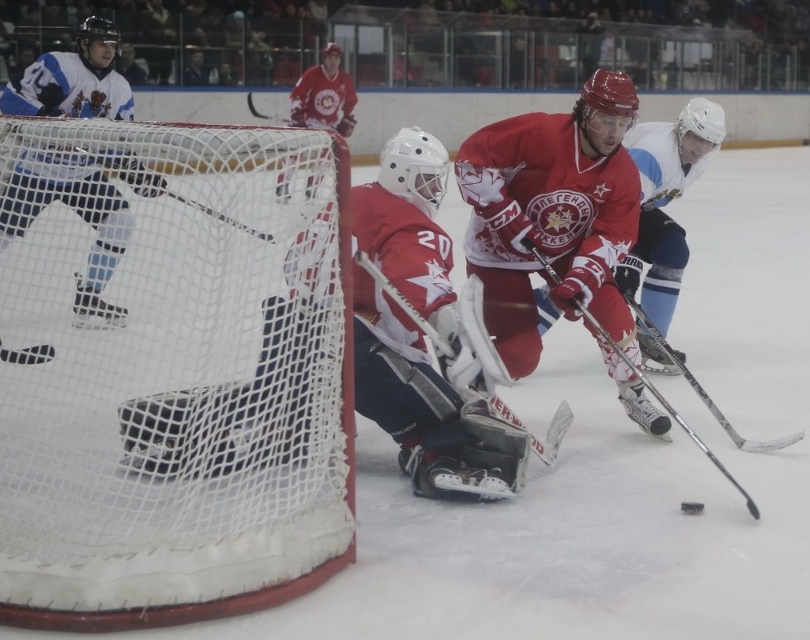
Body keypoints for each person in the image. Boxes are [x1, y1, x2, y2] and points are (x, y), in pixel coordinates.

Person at [287, 126, 530, 499]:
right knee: (449, 418)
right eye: (427, 180)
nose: (434, 190)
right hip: (352, 350)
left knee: (283, 428)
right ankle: (442, 460)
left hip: (289, 337)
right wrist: (453, 333)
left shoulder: (347, 198)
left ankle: (214, 423)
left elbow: (295, 266)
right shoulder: (407, 222)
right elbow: (419, 281)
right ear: (400, 175)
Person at [452, 69, 672, 442]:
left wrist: (583, 276)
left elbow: (615, 233)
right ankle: (464, 370)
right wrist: (505, 216)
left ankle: (633, 392)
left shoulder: (622, 172)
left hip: (565, 249)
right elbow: (472, 161)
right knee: (522, 357)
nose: (615, 134)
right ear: (585, 112)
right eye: (606, 120)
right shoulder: (540, 133)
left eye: (624, 123)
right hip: (498, 250)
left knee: (613, 312)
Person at [0, 16, 167, 334]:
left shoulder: (120, 87)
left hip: (82, 174)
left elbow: (116, 141)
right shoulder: (57, 65)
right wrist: (43, 116)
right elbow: (9, 100)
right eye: (102, 43)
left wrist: (137, 174)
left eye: (113, 44)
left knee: (120, 223)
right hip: (34, 169)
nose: (109, 50)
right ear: (84, 44)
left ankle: (88, 298)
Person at [535, 97, 727, 376]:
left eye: (709, 141)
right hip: (593, 210)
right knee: (582, 282)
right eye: (696, 137)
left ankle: (649, 339)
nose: (700, 147)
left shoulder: (698, 160)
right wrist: (629, 258)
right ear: (681, 129)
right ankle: (514, 331)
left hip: (625, 210)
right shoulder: (654, 155)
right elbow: (619, 209)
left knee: (673, 250)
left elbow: (635, 209)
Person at [276, 42, 358, 201]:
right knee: (294, 154)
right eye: (330, 58)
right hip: (308, 123)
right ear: (324, 58)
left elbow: (351, 104)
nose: (333, 61)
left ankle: (312, 188)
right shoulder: (312, 74)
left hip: (328, 127)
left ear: (340, 59)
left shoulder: (345, 80)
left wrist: (349, 120)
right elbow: (297, 96)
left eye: (336, 58)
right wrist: (297, 117)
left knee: (325, 158)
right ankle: (282, 186)